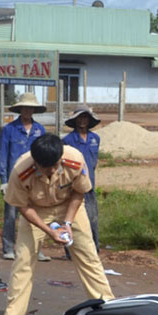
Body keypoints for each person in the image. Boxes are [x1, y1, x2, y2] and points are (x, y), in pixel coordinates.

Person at [0, 134, 115, 315]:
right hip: (35, 210)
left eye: (54, 165)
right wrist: (49, 230)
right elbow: (22, 207)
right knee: (23, 261)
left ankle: (108, 308)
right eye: (45, 167)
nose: (51, 171)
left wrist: (67, 223)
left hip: (70, 206)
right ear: (35, 163)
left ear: (60, 157)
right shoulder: (20, 170)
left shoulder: (74, 159)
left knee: (88, 255)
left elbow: (79, 192)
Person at [0, 93, 47, 260]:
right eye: (25, 107)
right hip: (15, 178)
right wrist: (3, 181)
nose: (28, 110)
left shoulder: (40, 130)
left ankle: (37, 249)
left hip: (35, 178)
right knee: (11, 215)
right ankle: (8, 248)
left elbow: (44, 156)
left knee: (36, 214)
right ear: (20, 109)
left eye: (31, 107)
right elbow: (3, 155)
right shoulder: (9, 129)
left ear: (34, 110)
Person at [62, 105, 102, 251]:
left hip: (89, 185)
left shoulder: (95, 139)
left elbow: (94, 161)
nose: (83, 120)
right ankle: (70, 250)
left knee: (92, 219)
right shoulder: (67, 140)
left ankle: (94, 249)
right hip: (72, 186)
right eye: (80, 117)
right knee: (71, 219)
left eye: (85, 117)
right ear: (75, 120)